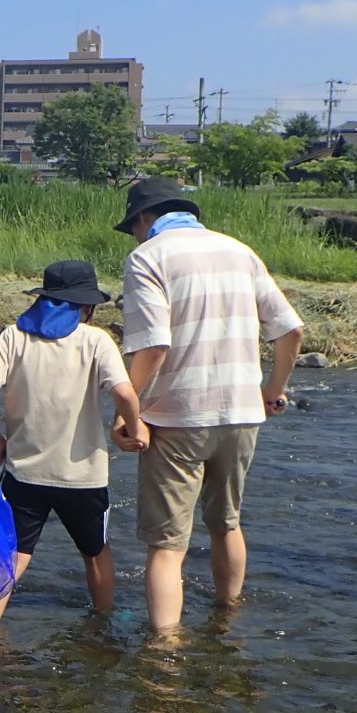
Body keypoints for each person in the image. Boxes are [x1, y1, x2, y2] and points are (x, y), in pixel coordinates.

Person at [115, 177, 304, 632]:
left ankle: (165, 651)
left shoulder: (148, 257)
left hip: (176, 416)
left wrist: (129, 411)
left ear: (145, 218)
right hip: (242, 411)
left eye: (134, 227)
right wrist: (272, 392)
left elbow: (155, 345)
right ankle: (228, 621)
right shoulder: (240, 251)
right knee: (226, 522)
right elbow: (291, 331)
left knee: (167, 546)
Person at [0, 260, 148, 630]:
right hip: (83, 477)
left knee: (12, 554)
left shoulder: (13, 336)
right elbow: (125, 394)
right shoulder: (95, 340)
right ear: (86, 308)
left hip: (25, 472)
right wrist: (135, 429)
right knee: (96, 552)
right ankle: (101, 622)